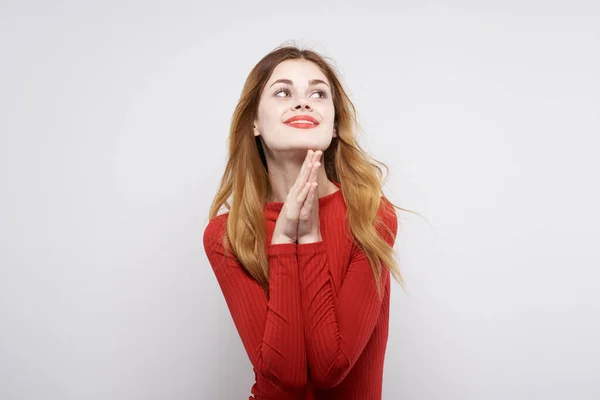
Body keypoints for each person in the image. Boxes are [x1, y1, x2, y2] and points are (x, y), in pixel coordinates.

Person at [203, 44, 407, 400]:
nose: (303, 102)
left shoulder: (370, 216)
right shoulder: (228, 235)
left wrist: (308, 236)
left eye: (318, 93)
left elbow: (332, 367)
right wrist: (283, 238)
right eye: (283, 92)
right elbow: (287, 377)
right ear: (254, 122)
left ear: (334, 124)